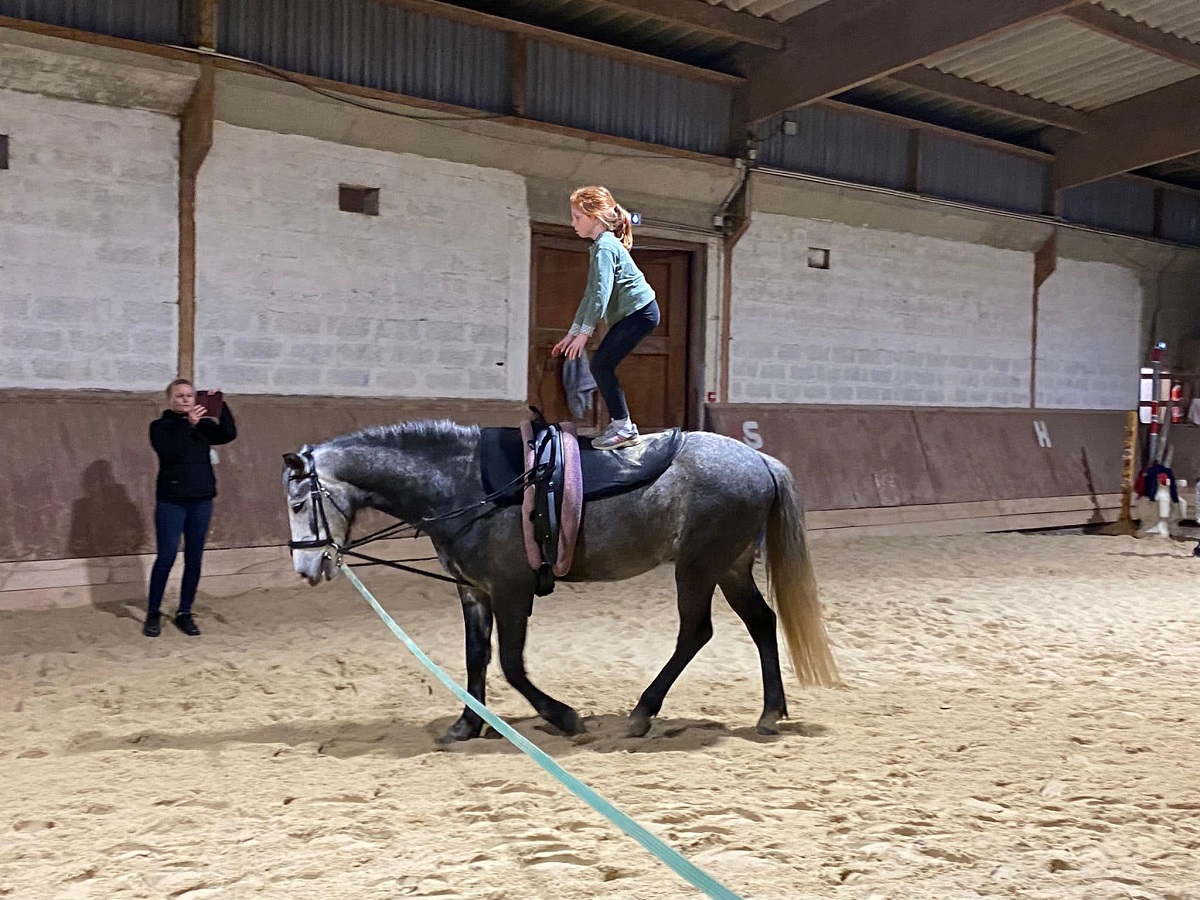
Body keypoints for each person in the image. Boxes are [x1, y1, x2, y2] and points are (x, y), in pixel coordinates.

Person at [551, 185, 660, 450]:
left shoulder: (605, 247)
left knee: (600, 365)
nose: (573, 223)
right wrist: (573, 332)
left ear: (595, 216)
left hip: (641, 312)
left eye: (577, 217)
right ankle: (622, 425)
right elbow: (590, 295)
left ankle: (623, 428)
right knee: (601, 365)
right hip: (635, 314)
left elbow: (601, 294)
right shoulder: (601, 246)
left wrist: (585, 334)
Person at [143, 379, 237, 637]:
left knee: (194, 558)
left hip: (201, 500)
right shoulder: (160, 426)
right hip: (172, 501)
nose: (185, 399)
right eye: (179, 396)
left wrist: (221, 405)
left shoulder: (204, 425)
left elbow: (228, 434)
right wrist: (189, 425)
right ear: (170, 399)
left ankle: (185, 612)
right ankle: (153, 611)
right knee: (167, 556)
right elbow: (170, 451)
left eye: (189, 395)